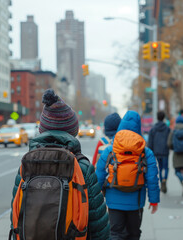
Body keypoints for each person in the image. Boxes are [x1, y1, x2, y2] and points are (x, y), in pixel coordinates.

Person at [10, 89, 110, 240]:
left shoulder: (26, 165)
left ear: (42, 129)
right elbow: (98, 224)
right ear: (73, 131)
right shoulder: (82, 168)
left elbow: (16, 216)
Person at [96, 110, 160, 240]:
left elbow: (99, 173)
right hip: (135, 202)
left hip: (113, 201)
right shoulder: (145, 152)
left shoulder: (110, 149)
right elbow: (152, 178)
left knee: (115, 233)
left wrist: (97, 197)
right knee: (134, 234)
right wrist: (154, 200)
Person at [148, 111, 171, 193]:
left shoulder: (153, 129)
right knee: (166, 167)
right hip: (165, 151)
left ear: (157, 117)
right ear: (163, 117)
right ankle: (165, 179)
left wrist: (150, 153)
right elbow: (170, 140)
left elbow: (150, 142)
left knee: (160, 168)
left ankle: (162, 183)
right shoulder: (167, 129)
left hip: (157, 152)